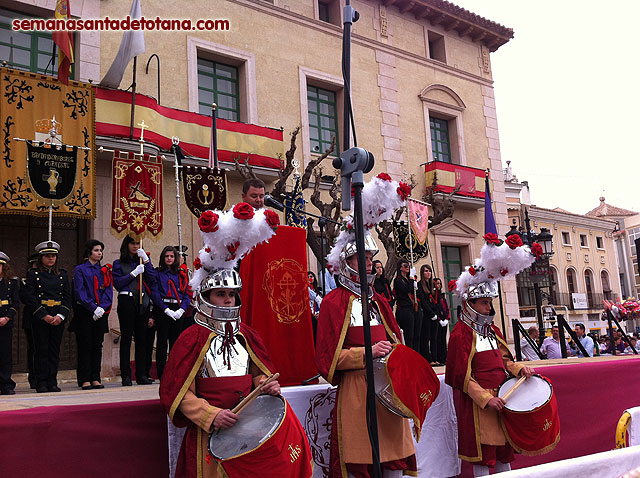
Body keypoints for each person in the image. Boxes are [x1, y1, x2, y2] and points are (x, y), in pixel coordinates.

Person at [160, 205, 312, 478]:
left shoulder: (247, 335)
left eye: (232, 293)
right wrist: (210, 415)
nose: (228, 299)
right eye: (220, 293)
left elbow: (258, 374)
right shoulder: (191, 338)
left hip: (248, 431)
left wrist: (265, 385)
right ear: (206, 297)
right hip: (210, 435)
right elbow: (180, 393)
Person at [318, 234, 416, 478]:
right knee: (359, 462)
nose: (369, 262)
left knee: (394, 459)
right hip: (357, 392)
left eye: (371, 257)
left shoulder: (380, 302)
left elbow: (397, 344)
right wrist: (366, 353)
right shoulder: (333, 302)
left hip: (388, 391)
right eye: (362, 257)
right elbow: (327, 360)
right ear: (346, 262)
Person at [446, 237, 537, 476]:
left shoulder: (493, 330)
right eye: (485, 303)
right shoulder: (461, 334)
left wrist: (519, 369)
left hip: (503, 400)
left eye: (490, 303)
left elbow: (504, 361)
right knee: (483, 458)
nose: (489, 308)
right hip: (480, 406)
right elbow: (458, 376)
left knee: (503, 457)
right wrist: (486, 399)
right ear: (470, 304)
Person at [22, 241, 71, 393]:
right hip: (41, 317)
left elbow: (67, 297)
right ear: (41, 258)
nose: (51, 259)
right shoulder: (33, 274)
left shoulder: (62, 275)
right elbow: (29, 297)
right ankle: (41, 381)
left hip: (57, 315)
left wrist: (61, 315)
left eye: (53, 256)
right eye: (47, 256)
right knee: (41, 350)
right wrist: (44, 316)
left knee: (54, 350)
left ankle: (52, 381)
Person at [112, 235, 155, 386]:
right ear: (126, 245)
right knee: (126, 339)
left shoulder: (142, 261)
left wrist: (147, 262)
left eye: (138, 243)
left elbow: (152, 278)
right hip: (127, 301)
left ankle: (141, 374)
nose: (136, 246)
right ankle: (126, 376)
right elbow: (117, 283)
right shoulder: (118, 263)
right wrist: (133, 273)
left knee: (141, 339)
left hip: (142, 302)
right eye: (133, 243)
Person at [71, 239, 113, 390]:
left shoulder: (105, 270)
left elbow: (108, 291)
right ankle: (84, 378)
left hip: (100, 313)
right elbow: (79, 291)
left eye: (101, 250)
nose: (99, 253)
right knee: (85, 345)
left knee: (97, 345)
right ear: (89, 252)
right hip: (85, 311)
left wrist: (101, 307)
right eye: (96, 250)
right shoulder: (80, 269)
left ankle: (96, 377)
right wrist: (93, 307)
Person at [151, 245, 191, 380]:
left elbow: (186, 294)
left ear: (175, 258)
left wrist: (182, 309)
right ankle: (162, 374)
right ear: (163, 258)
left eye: (172, 256)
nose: (169, 259)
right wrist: (165, 309)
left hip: (178, 309)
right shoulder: (158, 273)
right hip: (163, 309)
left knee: (175, 343)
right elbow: (155, 293)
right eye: (167, 256)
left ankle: (175, 373)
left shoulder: (181, 274)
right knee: (162, 343)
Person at [0, 251, 19, 395]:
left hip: (5, 323)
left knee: (5, 355)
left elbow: (16, 304)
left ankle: (6, 384)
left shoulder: (11, 283)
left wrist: (7, 318)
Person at [20, 253, 39, 389]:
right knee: (33, 348)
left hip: (48, 316)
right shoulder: (25, 280)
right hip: (31, 317)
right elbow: (24, 298)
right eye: (34, 265)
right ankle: (34, 378)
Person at [416, 264, 438, 364]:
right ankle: (427, 358)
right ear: (422, 273)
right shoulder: (420, 285)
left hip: (435, 313)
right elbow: (423, 301)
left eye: (429, 271)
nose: (428, 273)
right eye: (425, 271)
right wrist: (431, 313)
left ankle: (434, 357)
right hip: (426, 314)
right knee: (426, 337)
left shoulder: (433, 285)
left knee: (434, 337)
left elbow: (437, 299)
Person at [393, 259, 416, 349]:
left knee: (413, 334)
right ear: (400, 268)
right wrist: (411, 279)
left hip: (411, 308)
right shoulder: (398, 281)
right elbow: (406, 289)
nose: (408, 268)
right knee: (407, 335)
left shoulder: (407, 279)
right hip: (403, 309)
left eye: (408, 266)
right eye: (405, 266)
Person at [434, 277, 449, 365]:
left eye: (439, 283)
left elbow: (446, 307)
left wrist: (447, 318)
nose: (438, 285)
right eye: (436, 283)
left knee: (443, 340)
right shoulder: (434, 295)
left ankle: (444, 358)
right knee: (438, 339)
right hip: (438, 320)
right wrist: (439, 319)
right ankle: (439, 358)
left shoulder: (442, 296)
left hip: (444, 320)